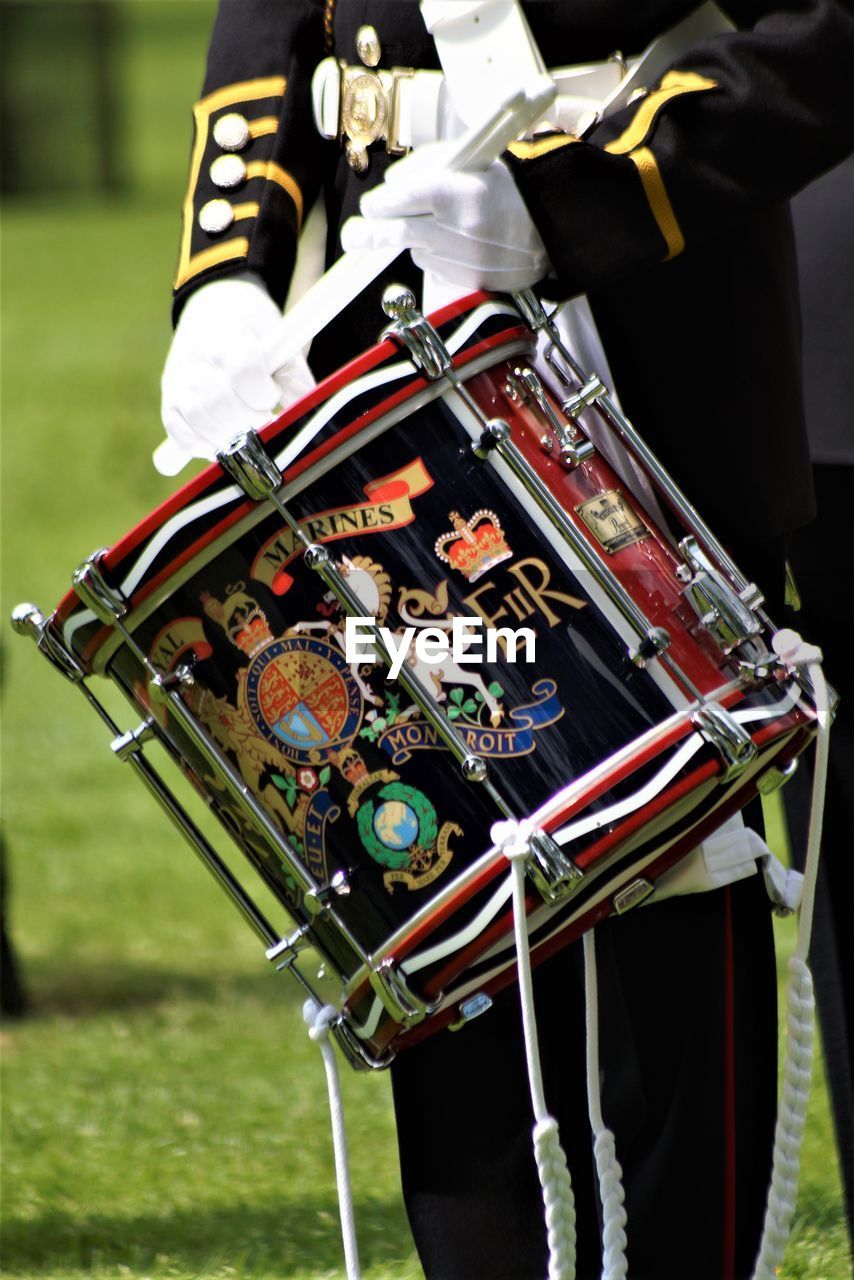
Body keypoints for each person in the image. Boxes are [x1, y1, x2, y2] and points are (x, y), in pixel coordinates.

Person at [161, 3, 854, 1275]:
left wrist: (577, 201)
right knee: (435, 891)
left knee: (653, 928)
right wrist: (226, 274)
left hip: (642, 333)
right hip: (387, 327)